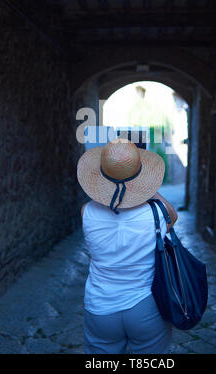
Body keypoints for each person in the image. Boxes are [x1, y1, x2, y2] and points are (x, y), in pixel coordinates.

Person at [77, 138, 178, 354]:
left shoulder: (87, 212)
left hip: (99, 308)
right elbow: (173, 215)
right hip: (145, 305)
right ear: (139, 177)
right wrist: (147, 188)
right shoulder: (156, 213)